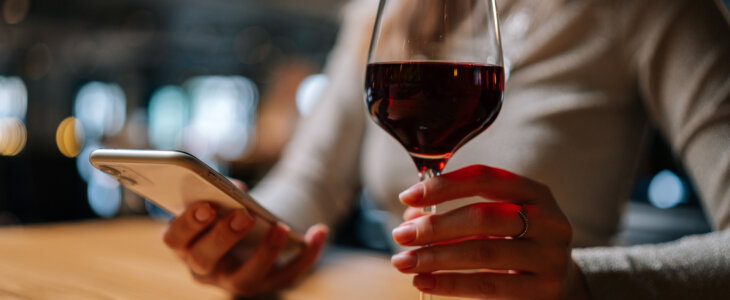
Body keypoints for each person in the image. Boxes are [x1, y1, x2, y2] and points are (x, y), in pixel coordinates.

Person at [161, 0, 730, 298]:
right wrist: (249, 234)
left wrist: (584, 282)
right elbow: (309, 182)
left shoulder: (653, 8)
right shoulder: (379, 13)